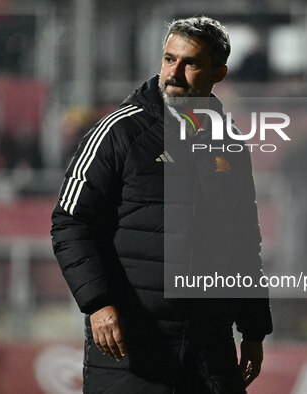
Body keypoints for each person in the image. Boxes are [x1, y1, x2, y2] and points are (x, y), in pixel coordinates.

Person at [51, 16, 272, 393]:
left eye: (191, 63)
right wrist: (97, 304)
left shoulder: (230, 142)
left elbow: (243, 242)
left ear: (218, 73)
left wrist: (253, 328)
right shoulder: (119, 132)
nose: (175, 73)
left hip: (209, 351)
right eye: (170, 59)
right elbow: (70, 222)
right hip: (133, 351)